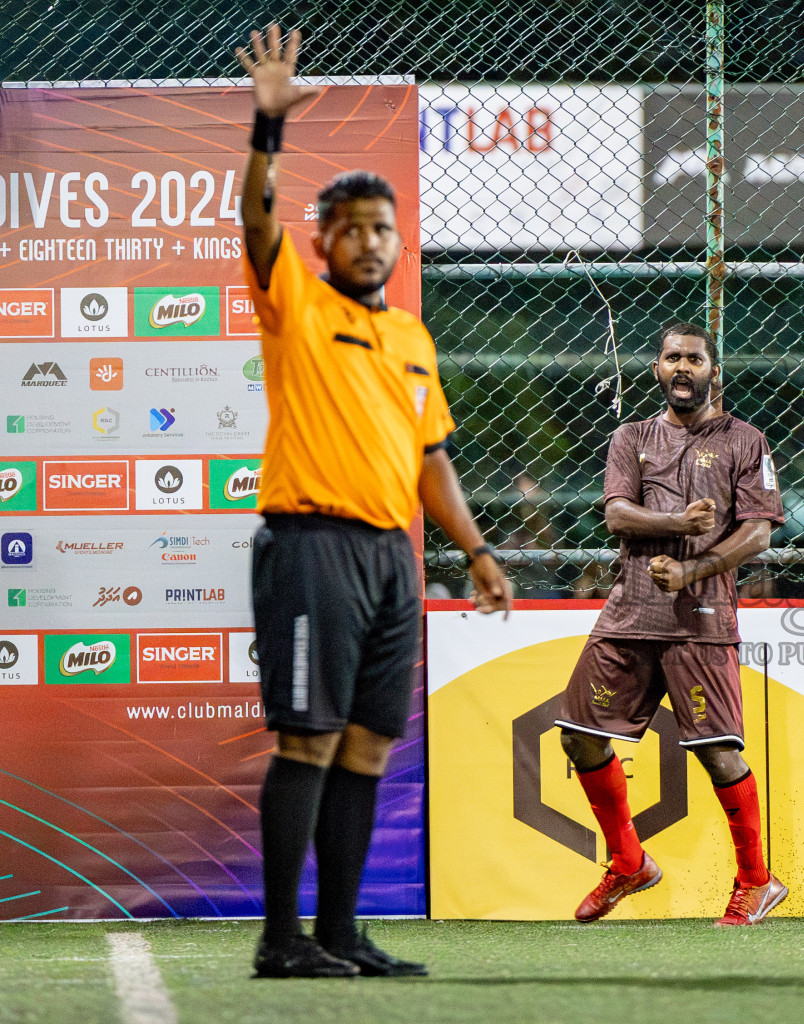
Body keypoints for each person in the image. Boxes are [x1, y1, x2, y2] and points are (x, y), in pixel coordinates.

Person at [236, 25, 511, 978]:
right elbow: (256, 223)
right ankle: (280, 942)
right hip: (309, 546)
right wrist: (267, 132)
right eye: (347, 227)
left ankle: (342, 935)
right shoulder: (295, 302)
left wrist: (474, 550)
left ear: (400, 240)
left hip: (392, 556)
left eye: (380, 227)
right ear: (323, 240)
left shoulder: (414, 341)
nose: (365, 240)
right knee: (306, 737)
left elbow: (431, 460)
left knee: (364, 746)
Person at [554, 322, 788, 926]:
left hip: (701, 619)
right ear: (656, 369)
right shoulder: (630, 437)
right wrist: (677, 526)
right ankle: (629, 863)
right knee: (578, 734)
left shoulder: (746, 440)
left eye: (694, 358)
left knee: (717, 752)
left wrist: (696, 569)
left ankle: (756, 882)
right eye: (671, 358)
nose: (682, 367)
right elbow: (615, 513)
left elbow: (759, 529)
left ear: (714, 369)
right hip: (630, 613)